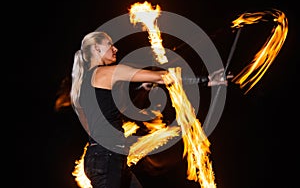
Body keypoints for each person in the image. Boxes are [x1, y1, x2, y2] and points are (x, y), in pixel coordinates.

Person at [70, 31, 231, 188]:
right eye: (109, 44)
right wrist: (207, 80)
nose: (115, 49)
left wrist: (142, 88)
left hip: (106, 159)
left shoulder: (81, 85)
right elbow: (162, 76)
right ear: (97, 49)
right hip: (107, 160)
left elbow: (99, 122)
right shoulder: (108, 72)